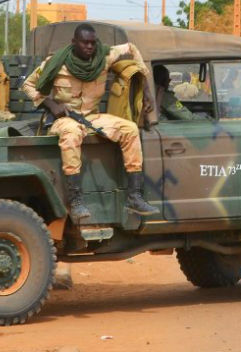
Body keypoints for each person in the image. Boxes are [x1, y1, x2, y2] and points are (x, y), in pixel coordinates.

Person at [22, 23, 156, 220]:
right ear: (74, 42)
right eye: (84, 43)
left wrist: (146, 92)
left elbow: (131, 48)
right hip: (65, 117)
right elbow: (28, 85)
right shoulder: (57, 62)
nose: (89, 47)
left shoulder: (104, 56)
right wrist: (49, 104)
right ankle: (75, 200)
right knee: (72, 133)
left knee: (130, 129)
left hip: (92, 116)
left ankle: (134, 196)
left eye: (93, 43)